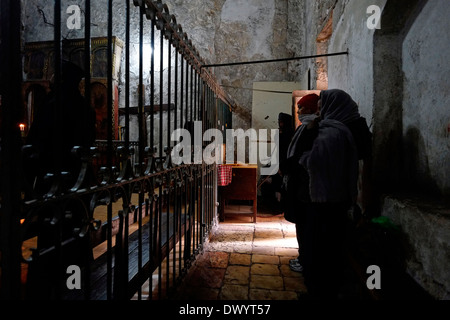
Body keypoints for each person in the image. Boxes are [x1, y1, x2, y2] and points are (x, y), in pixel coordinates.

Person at [298, 89, 372, 299]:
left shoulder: (334, 133)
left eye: (321, 108)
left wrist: (311, 135)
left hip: (326, 203)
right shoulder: (349, 129)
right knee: (326, 253)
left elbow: (310, 161)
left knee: (321, 254)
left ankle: (320, 293)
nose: (319, 113)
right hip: (338, 201)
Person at [26, 60, 96, 195]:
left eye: (54, 74)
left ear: (62, 78)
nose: (51, 78)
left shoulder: (52, 103)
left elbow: (39, 136)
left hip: (51, 166)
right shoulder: (84, 106)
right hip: (76, 169)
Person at [281, 93, 320, 273]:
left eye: (302, 108)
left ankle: (306, 260)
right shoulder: (302, 128)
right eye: (298, 108)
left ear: (313, 108)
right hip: (298, 183)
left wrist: (289, 166)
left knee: (307, 225)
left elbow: (304, 156)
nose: (298, 111)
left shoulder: (316, 128)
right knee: (301, 223)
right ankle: (303, 256)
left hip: (307, 185)